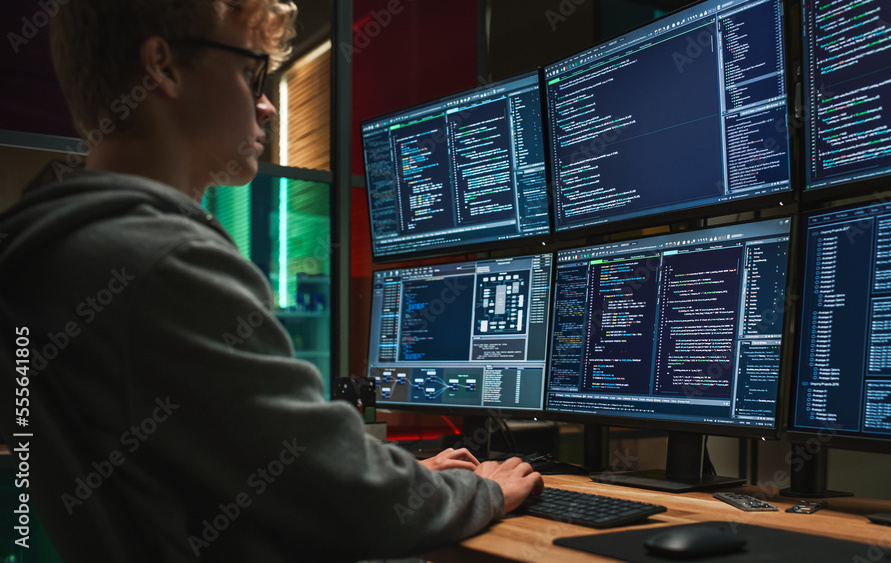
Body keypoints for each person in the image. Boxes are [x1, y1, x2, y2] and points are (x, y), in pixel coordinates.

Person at [0, 0, 542, 560]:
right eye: (250, 72)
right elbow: (346, 502)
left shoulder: (55, 248)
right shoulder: (161, 262)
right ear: (161, 67)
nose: (267, 106)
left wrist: (394, 475)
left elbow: (238, 469)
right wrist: (483, 491)